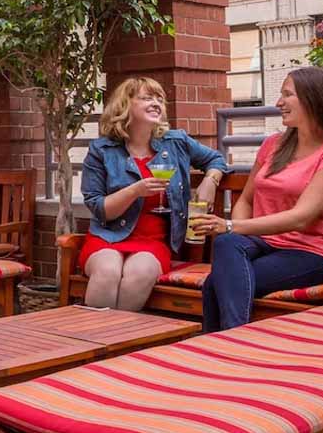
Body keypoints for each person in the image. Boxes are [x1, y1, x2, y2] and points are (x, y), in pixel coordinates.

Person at [191, 67, 323, 331]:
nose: (279, 102)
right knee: (227, 244)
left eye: (287, 95)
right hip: (263, 244)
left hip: (311, 252)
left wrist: (230, 227)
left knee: (218, 282)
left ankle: (226, 342)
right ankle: (229, 344)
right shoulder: (274, 144)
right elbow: (246, 200)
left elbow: (301, 218)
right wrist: (237, 233)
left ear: (314, 99)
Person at [79, 78, 229, 311]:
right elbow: (100, 209)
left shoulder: (176, 142)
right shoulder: (102, 150)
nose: (156, 103)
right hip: (108, 236)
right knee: (107, 272)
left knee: (140, 273)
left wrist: (210, 180)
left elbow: (216, 159)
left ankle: (120, 341)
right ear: (124, 105)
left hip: (154, 241)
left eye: (159, 98)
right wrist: (135, 190)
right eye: (147, 97)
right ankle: (98, 341)